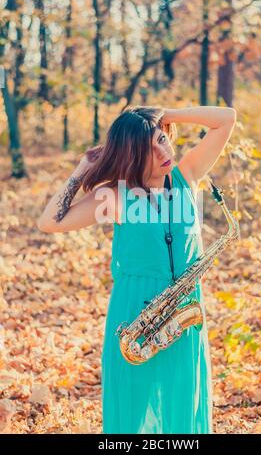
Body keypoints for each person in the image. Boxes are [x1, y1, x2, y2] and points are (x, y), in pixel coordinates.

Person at [37, 104, 236, 434]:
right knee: (133, 407)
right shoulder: (116, 196)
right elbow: (49, 223)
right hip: (134, 312)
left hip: (184, 308)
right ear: (131, 156)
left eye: (163, 140)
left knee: (182, 402)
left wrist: (163, 116)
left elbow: (226, 119)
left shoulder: (186, 176)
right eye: (148, 148)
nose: (163, 151)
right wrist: (80, 171)